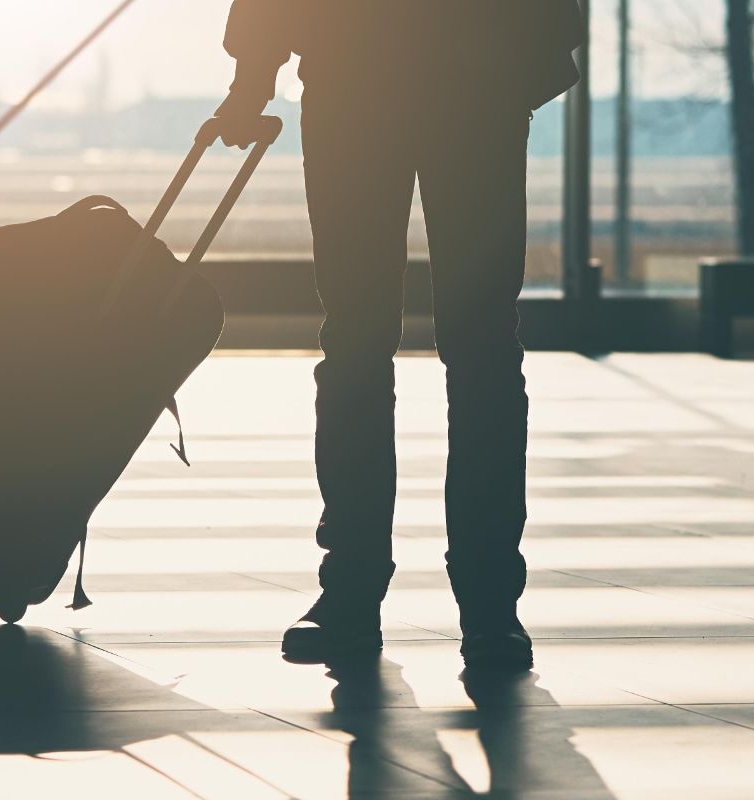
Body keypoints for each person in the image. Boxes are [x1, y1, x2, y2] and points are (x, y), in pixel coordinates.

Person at [214, 0, 583, 670]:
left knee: (357, 344)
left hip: (358, 83)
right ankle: (489, 602)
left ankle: (352, 592)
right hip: (475, 82)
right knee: (481, 352)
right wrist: (522, 66)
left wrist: (252, 78)